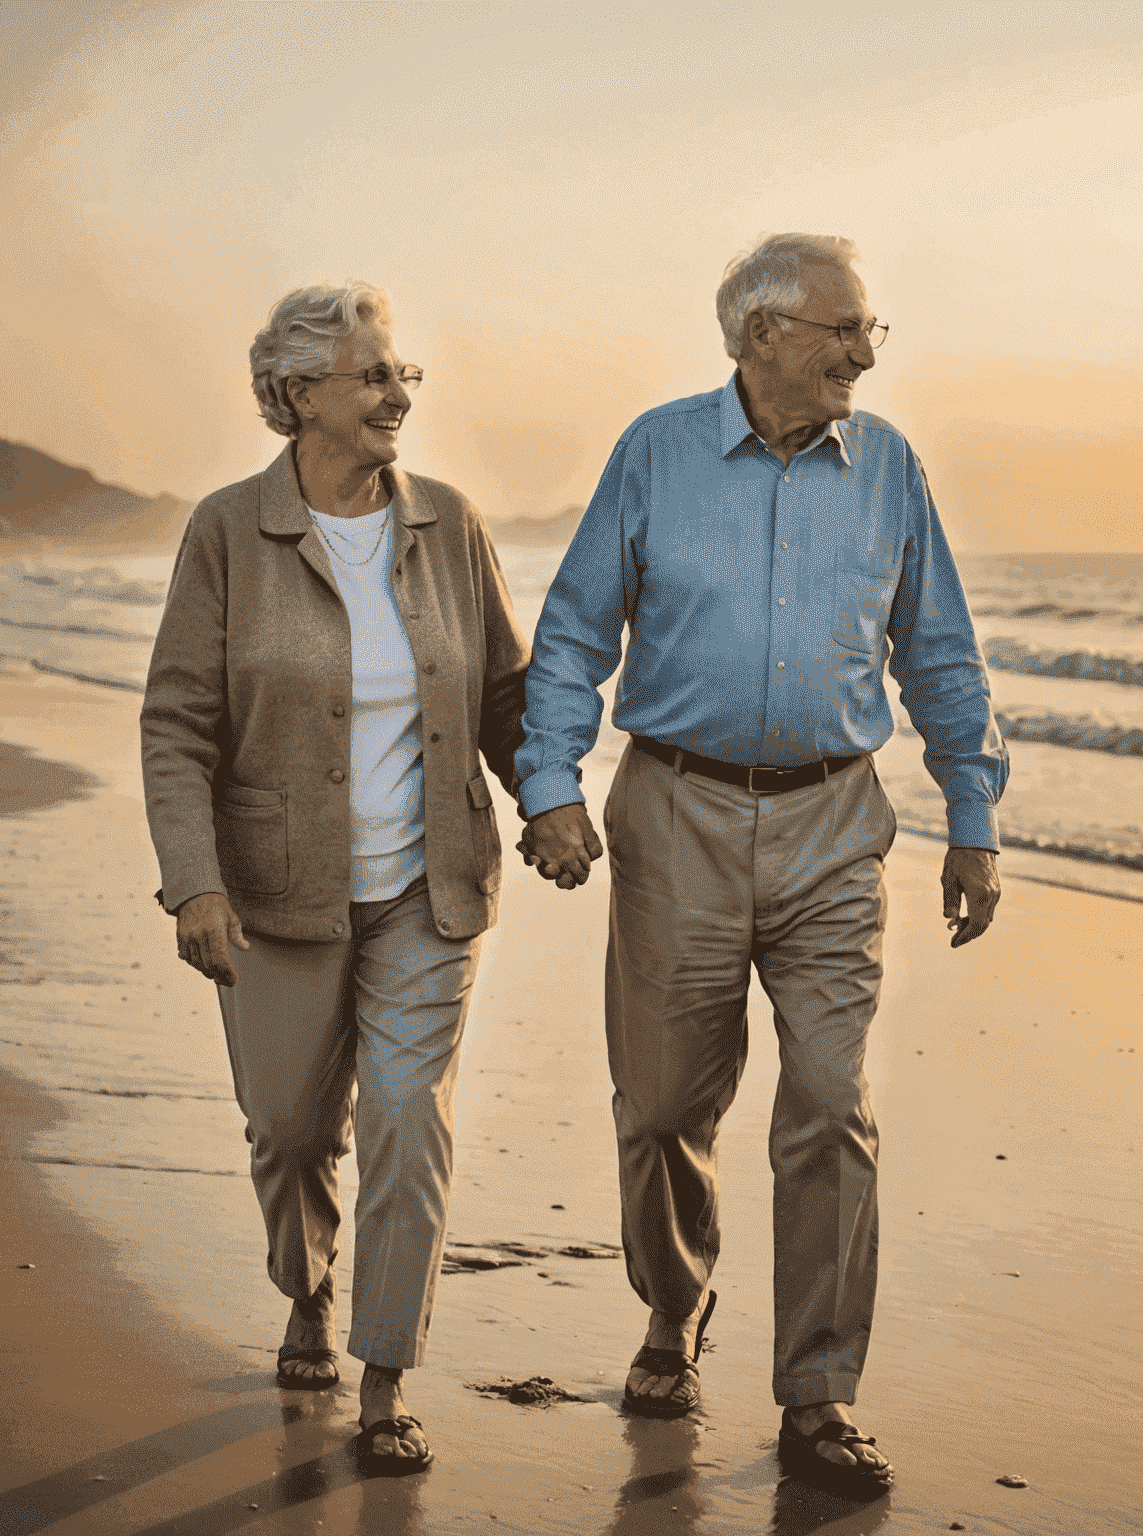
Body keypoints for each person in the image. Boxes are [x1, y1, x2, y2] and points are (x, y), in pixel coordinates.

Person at [514, 234, 1007, 1500]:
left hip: (836, 827)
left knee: (832, 1103)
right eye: (841, 330)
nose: (862, 352)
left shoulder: (890, 467)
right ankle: (674, 1315)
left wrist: (974, 812)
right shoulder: (655, 455)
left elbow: (937, 652)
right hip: (673, 814)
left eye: (870, 332)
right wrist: (550, 786)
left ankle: (820, 1392)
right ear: (758, 337)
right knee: (668, 1102)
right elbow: (571, 637)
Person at [141, 281, 528, 1476]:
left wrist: (549, 799)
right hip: (275, 893)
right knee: (291, 1126)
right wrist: (193, 882)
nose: (398, 392)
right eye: (372, 374)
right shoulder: (226, 531)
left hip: (431, 885)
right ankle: (305, 1288)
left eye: (402, 372)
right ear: (300, 393)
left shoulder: (450, 525)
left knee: (410, 1118)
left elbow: (507, 694)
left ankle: (384, 1376)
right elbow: (176, 723)